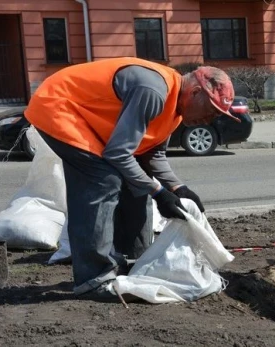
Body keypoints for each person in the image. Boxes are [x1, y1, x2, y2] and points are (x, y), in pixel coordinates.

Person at [24, 57, 236, 301]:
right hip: (58, 107)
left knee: (134, 184)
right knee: (103, 180)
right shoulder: (153, 91)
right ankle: (93, 280)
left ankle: (136, 263)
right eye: (210, 111)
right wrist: (158, 192)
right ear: (196, 92)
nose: (209, 120)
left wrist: (178, 187)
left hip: (86, 120)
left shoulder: (175, 109)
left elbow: (151, 154)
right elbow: (118, 153)